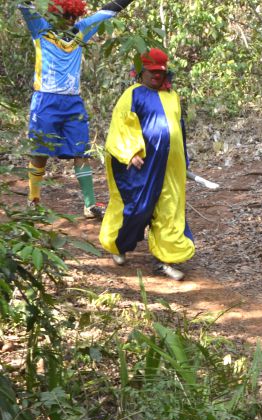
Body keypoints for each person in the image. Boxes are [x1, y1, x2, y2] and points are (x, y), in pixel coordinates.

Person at [19, 0, 135, 218]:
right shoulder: (40, 29)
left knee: (81, 151)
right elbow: (25, 5)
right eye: (66, 17)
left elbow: (108, 11)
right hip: (45, 101)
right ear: (55, 15)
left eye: (74, 17)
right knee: (40, 152)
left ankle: (89, 205)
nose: (70, 21)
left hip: (73, 102)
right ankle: (33, 201)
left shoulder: (82, 31)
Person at [99, 48, 195, 281]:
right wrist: (130, 152)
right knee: (136, 208)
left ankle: (167, 259)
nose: (156, 76)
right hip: (142, 167)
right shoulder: (132, 95)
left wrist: (184, 160)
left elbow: (178, 129)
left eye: (159, 72)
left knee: (170, 209)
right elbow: (122, 126)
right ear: (140, 73)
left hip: (170, 166)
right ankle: (118, 245)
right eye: (151, 72)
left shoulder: (172, 96)